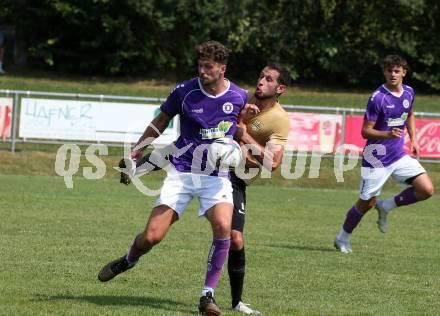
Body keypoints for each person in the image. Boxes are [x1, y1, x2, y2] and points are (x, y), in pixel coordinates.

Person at [121, 63, 291, 314]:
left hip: (235, 176)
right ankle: (135, 168)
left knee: (235, 237)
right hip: (208, 164)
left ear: (280, 88)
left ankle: (236, 301)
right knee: (184, 149)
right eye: (260, 77)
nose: (261, 82)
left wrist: (243, 135)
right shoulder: (239, 97)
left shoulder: (279, 120)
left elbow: (273, 163)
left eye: (268, 79)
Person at [98, 40, 249, 316]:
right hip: (182, 171)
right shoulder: (185, 91)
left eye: (208, 66)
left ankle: (207, 295)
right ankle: (129, 260)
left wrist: (240, 145)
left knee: (223, 226)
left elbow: (244, 126)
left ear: (222, 69)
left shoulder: (239, 96)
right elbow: (160, 121)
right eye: (200, 65)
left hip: (216, 177)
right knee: (152, 237)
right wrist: (137, 152)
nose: (202, 71)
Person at [334, 55, 434, 254]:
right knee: (366, 203)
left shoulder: (409, 92)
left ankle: (387, 205)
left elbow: (410, 114)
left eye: (397, 71)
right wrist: (386, 134)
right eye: (389, 70)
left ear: (404, 72)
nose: (393, 74)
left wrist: (413, 139)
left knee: (426, 190)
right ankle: (342, 238)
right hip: (375, 158)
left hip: (398, 155)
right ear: (384, 72)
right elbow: (365, 131)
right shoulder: (378, 98)